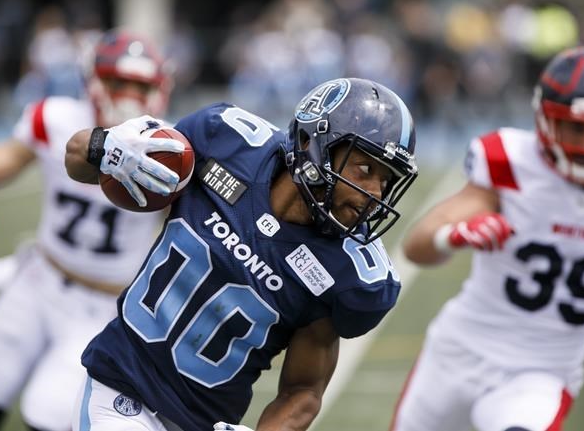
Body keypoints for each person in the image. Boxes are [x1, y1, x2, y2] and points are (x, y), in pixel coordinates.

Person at [64, 77, 419, 431]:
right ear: (314, 144)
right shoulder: (225, 141)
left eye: (386, 180)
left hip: (205, 422)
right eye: (365, 170)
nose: (373, 194)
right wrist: (104, 147)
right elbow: (76, 157)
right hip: (122, 384)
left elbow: (303, 391)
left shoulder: (350, 275)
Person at [0, 29, 172, 431]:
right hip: (38, 282)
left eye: (139, 85)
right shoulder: (56, 119)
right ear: (92, 80)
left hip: (102, 307)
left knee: (48, 416)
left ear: (160, 88)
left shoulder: (169, 150)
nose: (127, 93)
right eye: (116, 80)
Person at [390, 46, 584, 431]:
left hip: (542, 373)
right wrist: (453, 236)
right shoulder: (512, 161)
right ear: (545, 118)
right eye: (577, 127)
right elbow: (416, 246)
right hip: (459, 352)